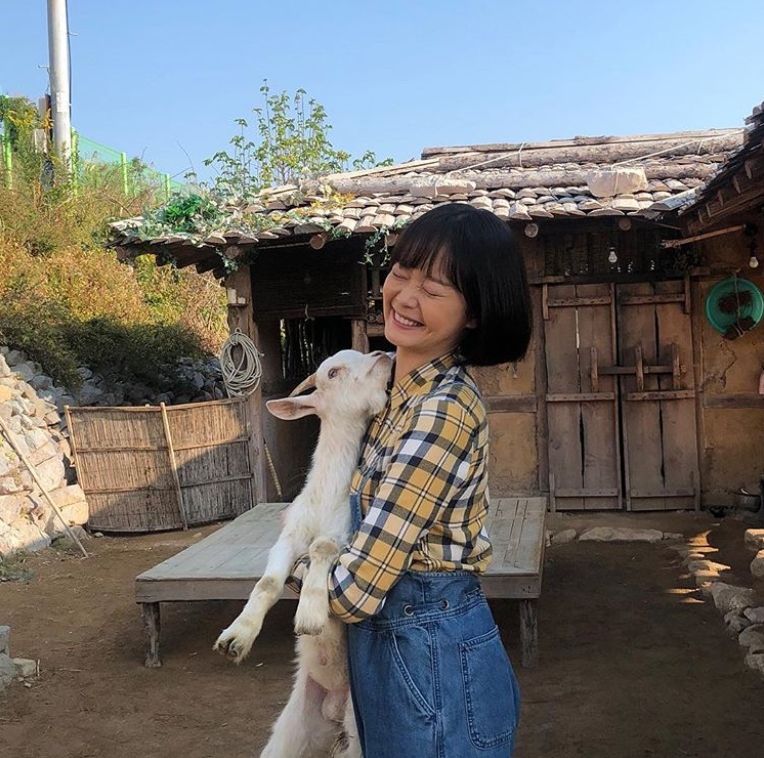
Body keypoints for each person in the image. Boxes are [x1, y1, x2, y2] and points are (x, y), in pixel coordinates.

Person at [296, 202, 532, 757]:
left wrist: (292, 568)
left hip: (429, 654)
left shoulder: (442, 409)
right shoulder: (387, 391)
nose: (405, 296)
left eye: (434, 288)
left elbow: (357, 589)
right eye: (401, 272)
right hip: (396, 646)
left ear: (472, 314)